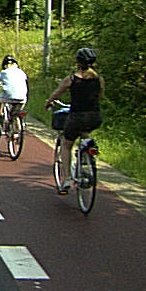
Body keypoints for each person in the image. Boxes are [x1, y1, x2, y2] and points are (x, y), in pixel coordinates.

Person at [46, 47, 103, 192]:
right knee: (85, 132)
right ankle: (86, 156)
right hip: (95, 117)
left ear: (78, 63)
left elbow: (57, 93)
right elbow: (99, 97)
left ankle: (66, 179)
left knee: (66, 145)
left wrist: (49, 102)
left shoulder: (72, 79)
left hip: (77, 117)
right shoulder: (99, 79)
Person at [0, 55, 29, 131]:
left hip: (9, 96)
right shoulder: (22, 72)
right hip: (22, 97)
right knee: (15, 113)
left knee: (0, 99)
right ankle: (17, 129)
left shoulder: (4, 72)